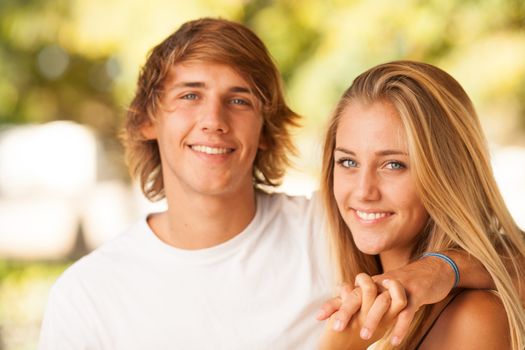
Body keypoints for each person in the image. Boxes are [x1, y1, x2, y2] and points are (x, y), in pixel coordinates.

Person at [38, 19, 500, 349]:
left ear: (265, 128)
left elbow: (505, 261)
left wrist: (443, 268)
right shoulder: (87, 295)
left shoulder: (338, 226)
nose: (213, 121)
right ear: (146, 121)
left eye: (238, 99)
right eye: (190, 95)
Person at [318, 61, 525, 349]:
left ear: (447, 175)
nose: (364, 191)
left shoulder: (472, 317)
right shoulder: (320, 253)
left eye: (393, 164)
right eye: (348, 161)